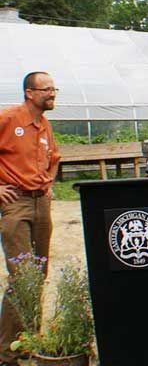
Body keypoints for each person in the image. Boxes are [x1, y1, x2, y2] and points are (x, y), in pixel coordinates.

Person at [0, 72, 61, 365]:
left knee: (39, 274)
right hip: (16, 203)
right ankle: (7, 354)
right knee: (22, 276)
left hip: (40, 203)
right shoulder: (10, 119)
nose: (52, 93)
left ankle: (28, 341)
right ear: (29, 92)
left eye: (54, 89)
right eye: (47, 89)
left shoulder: (45, 125)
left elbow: (54, 158)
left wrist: (48, 181)